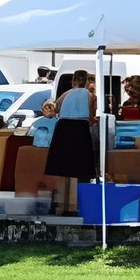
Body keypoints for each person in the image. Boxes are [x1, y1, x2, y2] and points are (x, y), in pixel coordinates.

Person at [44, 69, 98, 211]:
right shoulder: (90, 96)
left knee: (63, 167)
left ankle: (61, 202)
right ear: (87, 81)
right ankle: (80, 202)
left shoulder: (66, 94)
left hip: (63, 129)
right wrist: (94, 120)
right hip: (80, 129)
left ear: (73, 81)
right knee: (82, 167)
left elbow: (54, 110)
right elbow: (91, 117)